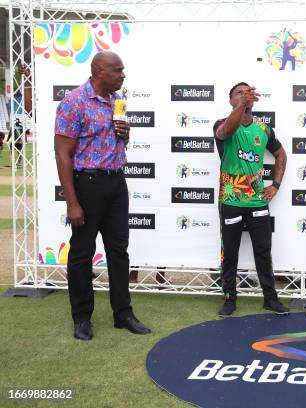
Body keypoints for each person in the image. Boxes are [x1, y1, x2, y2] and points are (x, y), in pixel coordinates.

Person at [54, 51, 151, 340]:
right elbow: (62, 153)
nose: (123, 75)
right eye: (118, 70)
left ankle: (123, 314)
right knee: (82, 253)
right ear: (99, 72)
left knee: (119, 252)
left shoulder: (116, 101)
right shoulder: (74, 102)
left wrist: (125, 133)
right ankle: (82, 318)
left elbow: (115, 142)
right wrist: (72, 201)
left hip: (116, 183)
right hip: (87, 185)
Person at [213, 82, 289, 317]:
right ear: (231, 101)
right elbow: (227, 131)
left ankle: (270, 299)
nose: (245, 95)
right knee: (230, 251)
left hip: (257, 201)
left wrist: (275, 185)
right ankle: (229, 299)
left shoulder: (263, 129)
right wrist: (241, 106)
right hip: (231, 199)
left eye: (248, 93)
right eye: (239, 93)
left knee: (263, 251)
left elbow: (280, 154)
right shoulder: (221, 124)